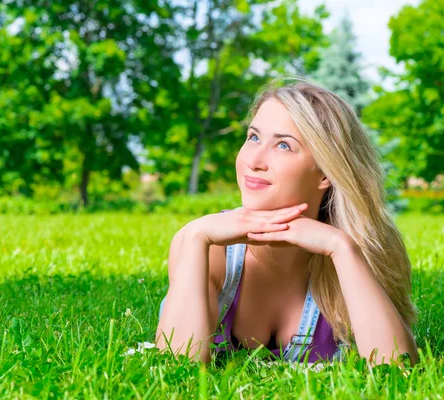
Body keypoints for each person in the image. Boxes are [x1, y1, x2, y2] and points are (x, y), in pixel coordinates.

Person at [155, 77, 418, 366]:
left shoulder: (358, 251)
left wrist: (340, 247)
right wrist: (196, 236)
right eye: (253, 137)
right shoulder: (206, 246)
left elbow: (396, 369)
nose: (254, 159)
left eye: (283, 145)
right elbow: (177, 367)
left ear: (325, 173)